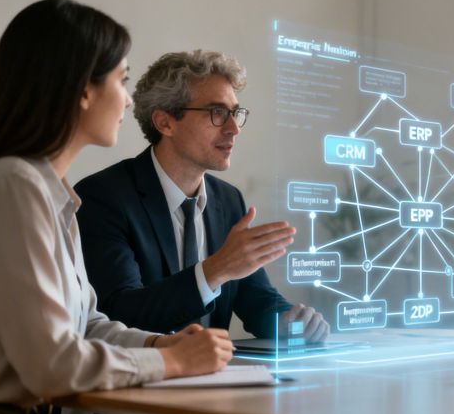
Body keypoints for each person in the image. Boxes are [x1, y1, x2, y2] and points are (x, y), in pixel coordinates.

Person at [0, 0, 233, 414]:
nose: (126, 101)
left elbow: (86, 326)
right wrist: (174, 362)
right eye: (121, 80)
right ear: (84, 89)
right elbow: (53, 364)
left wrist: (160, 344)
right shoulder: (14, 185)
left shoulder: (50, 193)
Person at [75, 50, 330, 343]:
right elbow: (119, 314)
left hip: (213, 378)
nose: (233, 128)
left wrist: (291, 322)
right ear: (165, 122)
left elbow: (255, 299)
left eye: (235, 113)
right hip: (140, 380)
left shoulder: (228, 200)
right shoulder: (103, 197)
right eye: (217, 113)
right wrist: (215, 270)